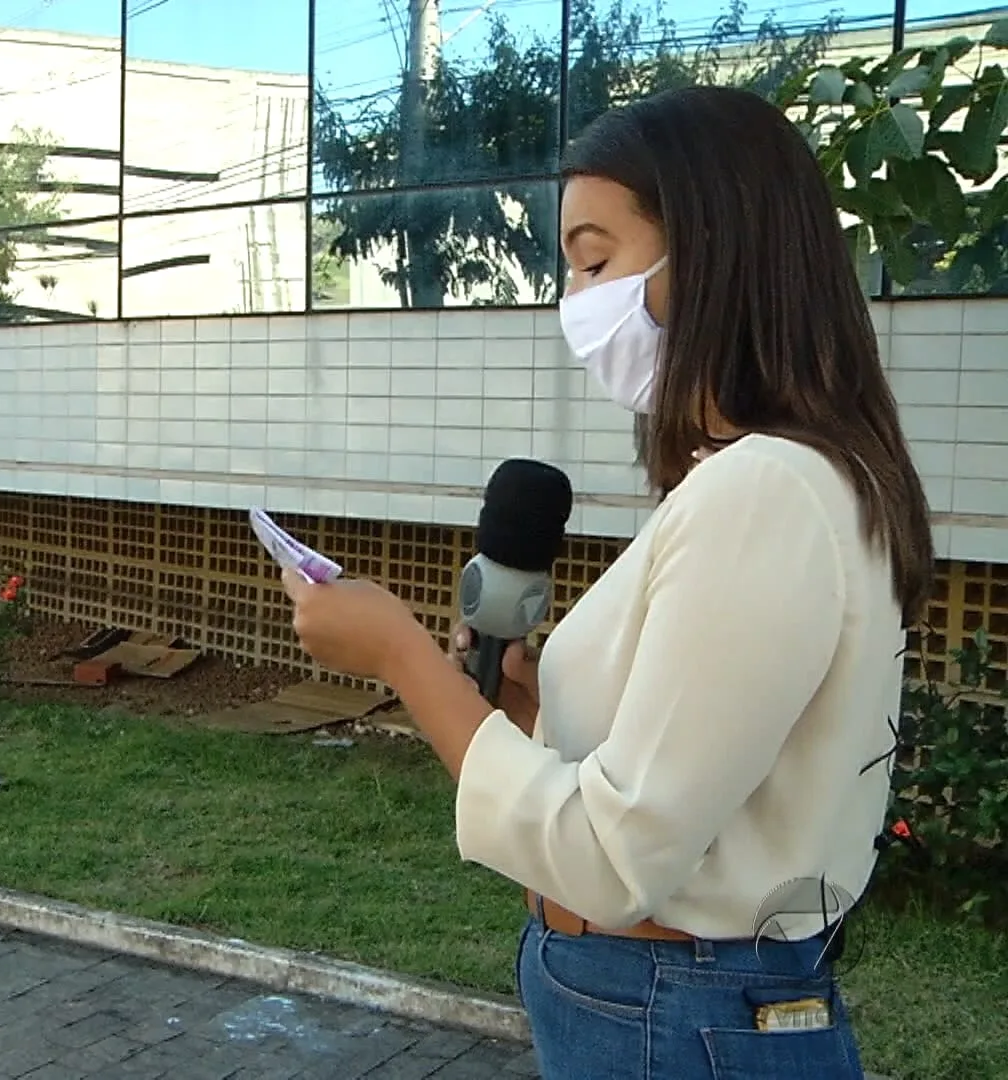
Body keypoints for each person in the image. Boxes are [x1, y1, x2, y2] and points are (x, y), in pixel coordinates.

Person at [282, 84, 931, 1079]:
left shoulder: (765, 490)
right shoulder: (793, 476)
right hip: (683, 1000)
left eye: (595, 259)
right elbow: (708, 768)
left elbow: (614, 860)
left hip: (673, 1009)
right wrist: (535, 702)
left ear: (711, 252)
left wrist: (404, 659)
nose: (577, 301)